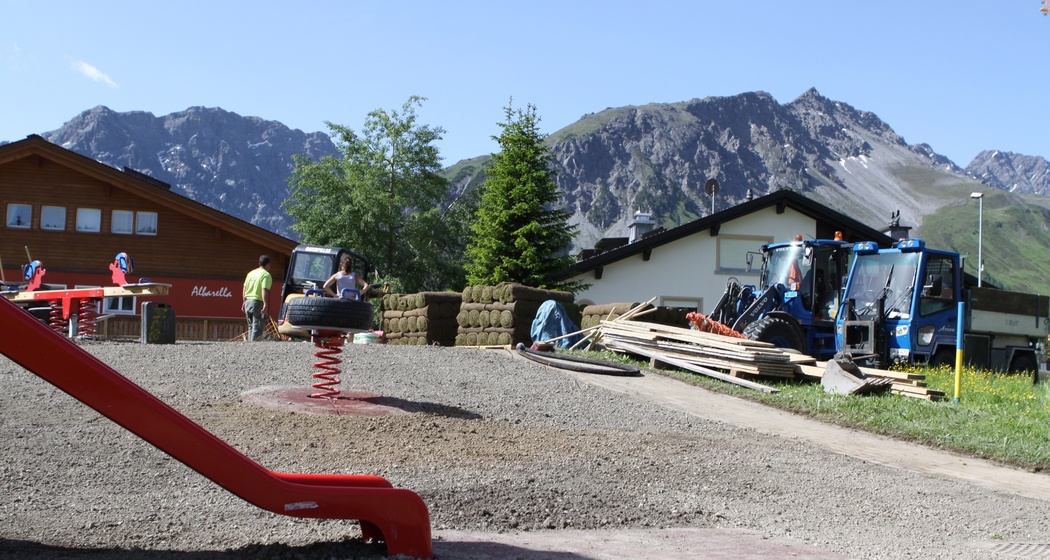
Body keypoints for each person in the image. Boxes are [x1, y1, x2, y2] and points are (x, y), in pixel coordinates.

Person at [242, 255, 272, 341]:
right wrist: (265, 304)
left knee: (251, 327)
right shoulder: (266, 275)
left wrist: (244, 301)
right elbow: (264, 289)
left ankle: (249, 347)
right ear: (268, 265)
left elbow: (244, 288)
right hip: (257, 302)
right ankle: (253, 349)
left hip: (248, 302)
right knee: (257, 329)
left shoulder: (250, 273)